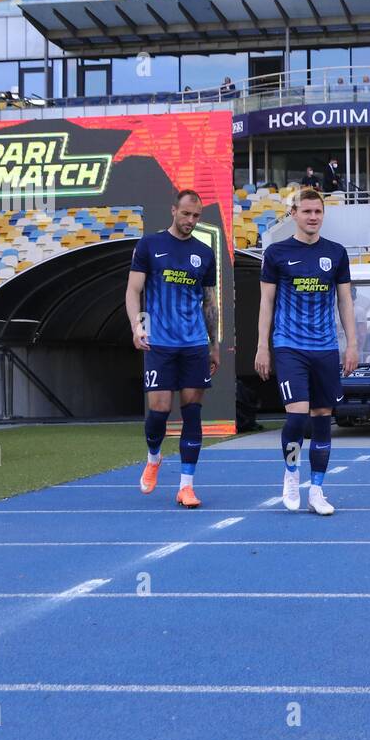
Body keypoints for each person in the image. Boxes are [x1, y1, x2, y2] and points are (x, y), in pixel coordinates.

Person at [255, 189, 358, 515]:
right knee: (297, 417)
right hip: (290, 346)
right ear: (294, 214)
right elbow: (266, 303)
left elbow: (345, 301)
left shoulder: (336, 253)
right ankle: (291, 473)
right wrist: (263, 346)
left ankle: (316, 490)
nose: (313, 216)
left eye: (318, 211)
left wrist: (351, 344)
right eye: (307, 211)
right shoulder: (276, 253)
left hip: (325, 348)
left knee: (322, 420)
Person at [126, 189, 220, 509]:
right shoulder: (149, 245)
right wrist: (137, 326)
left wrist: (214, 344)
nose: (191, 221)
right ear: (173, 211)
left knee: (192, 412)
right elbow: (133, 290)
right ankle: (154, 458)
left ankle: (186, 486)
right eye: (186, 214)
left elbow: (210, 302)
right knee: (160, 410)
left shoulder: (205, 253)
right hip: (160, 343)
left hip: (194, 343)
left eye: (196, 216)